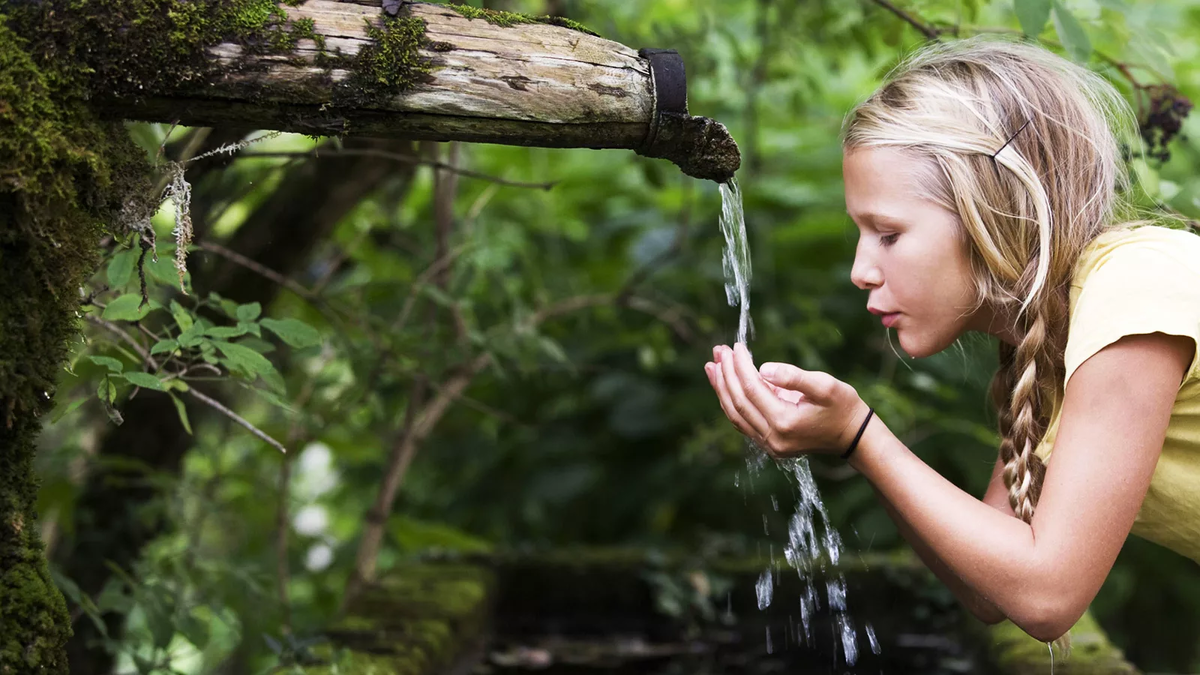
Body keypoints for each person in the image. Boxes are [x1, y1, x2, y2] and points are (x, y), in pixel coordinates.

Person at [704, 35, 1200, 646]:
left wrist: (862, 436)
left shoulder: (1136, 286)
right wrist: (852, 442)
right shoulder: (1057, 341)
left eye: (887, 234)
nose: (860, 269)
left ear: (989, 212)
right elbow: (993, 591)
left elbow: (1048, 594)